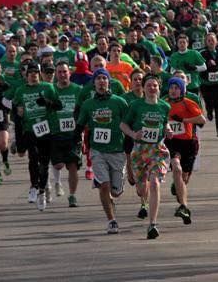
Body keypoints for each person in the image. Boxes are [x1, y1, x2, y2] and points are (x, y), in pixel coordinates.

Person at [76, 68, 128, 234]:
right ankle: (111, 220)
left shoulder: (119, 102)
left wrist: (131, 142)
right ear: (94, 83)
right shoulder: (88, 104)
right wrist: (75, 140)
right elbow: (79, 125)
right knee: (103, 185)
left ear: (108, 82)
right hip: (97, 151)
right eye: (98, 79)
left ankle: (116, 190)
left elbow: (129, 124)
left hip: (117, 150)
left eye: (104, 79)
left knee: (115, 191)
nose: (101, 81)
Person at [120, 74, 172, 239]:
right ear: (143, 87)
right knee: (142, 189)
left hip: (157, 150)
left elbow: (165, 124)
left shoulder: (164, 106)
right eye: (148, 85)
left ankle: (153, 224)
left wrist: (168, 130)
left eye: (155, 85)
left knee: (155, 182)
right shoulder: (136, 105)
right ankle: (144, 199)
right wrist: (133, 134)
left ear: (159, 87)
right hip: (139, 151)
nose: (152, 88)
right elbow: (123, 124)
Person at [10, 61, 60, 210]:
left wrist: (47, 102)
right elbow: (14, 111)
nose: (33, 76)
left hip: (46, 130)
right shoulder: (21, 90)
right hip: (30, 129)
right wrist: (18, 112)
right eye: (30, 74)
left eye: (35, 73)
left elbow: (58, 106)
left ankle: (42, 193)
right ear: (26, 76)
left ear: (39, 75)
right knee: (33, 158)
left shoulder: (48, 87)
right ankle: (33, 186)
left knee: (44, 164)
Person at [164, 77, 206, 226]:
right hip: (172, 142)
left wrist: (183, 120)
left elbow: (202, 120)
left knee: (184, 178)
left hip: (188, 144)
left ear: (182, 90)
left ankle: (180, 195)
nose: (173, 91)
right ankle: (184, 206)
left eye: (176, 88)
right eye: (171, 88)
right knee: (176, 165)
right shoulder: (164, 103)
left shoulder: (188, 103)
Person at [49, 60, 83, 207]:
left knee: (73, 165)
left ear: (70, 73)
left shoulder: (78, 90)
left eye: (65, 72)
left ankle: (72, 195)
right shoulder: (51, 90)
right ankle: (56, 182)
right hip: (55, 133)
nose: (62, 74)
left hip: (73, 134)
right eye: (59, 72)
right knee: (58, 165)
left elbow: (84, 109)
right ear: (56, 74)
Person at [121, 68, 148, 218]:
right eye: (135, 79)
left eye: (140, 79)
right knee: (135, 179)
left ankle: (144, 204)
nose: (138, 82)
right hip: (130, 140)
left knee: (147, 176)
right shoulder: (125, 99)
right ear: (130, 83)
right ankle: (132, 177)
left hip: (148, 142)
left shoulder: (151, 97)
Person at [199, 33, 218, 136]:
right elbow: (199, 67)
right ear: (206, 42)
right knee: (209, 101)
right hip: (206, 83)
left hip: (217, 83)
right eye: (209, 40)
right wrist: (207, 64)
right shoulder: (202, 53)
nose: (211, 42)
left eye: (212, 40)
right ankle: (209, 110)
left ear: (216, 42)